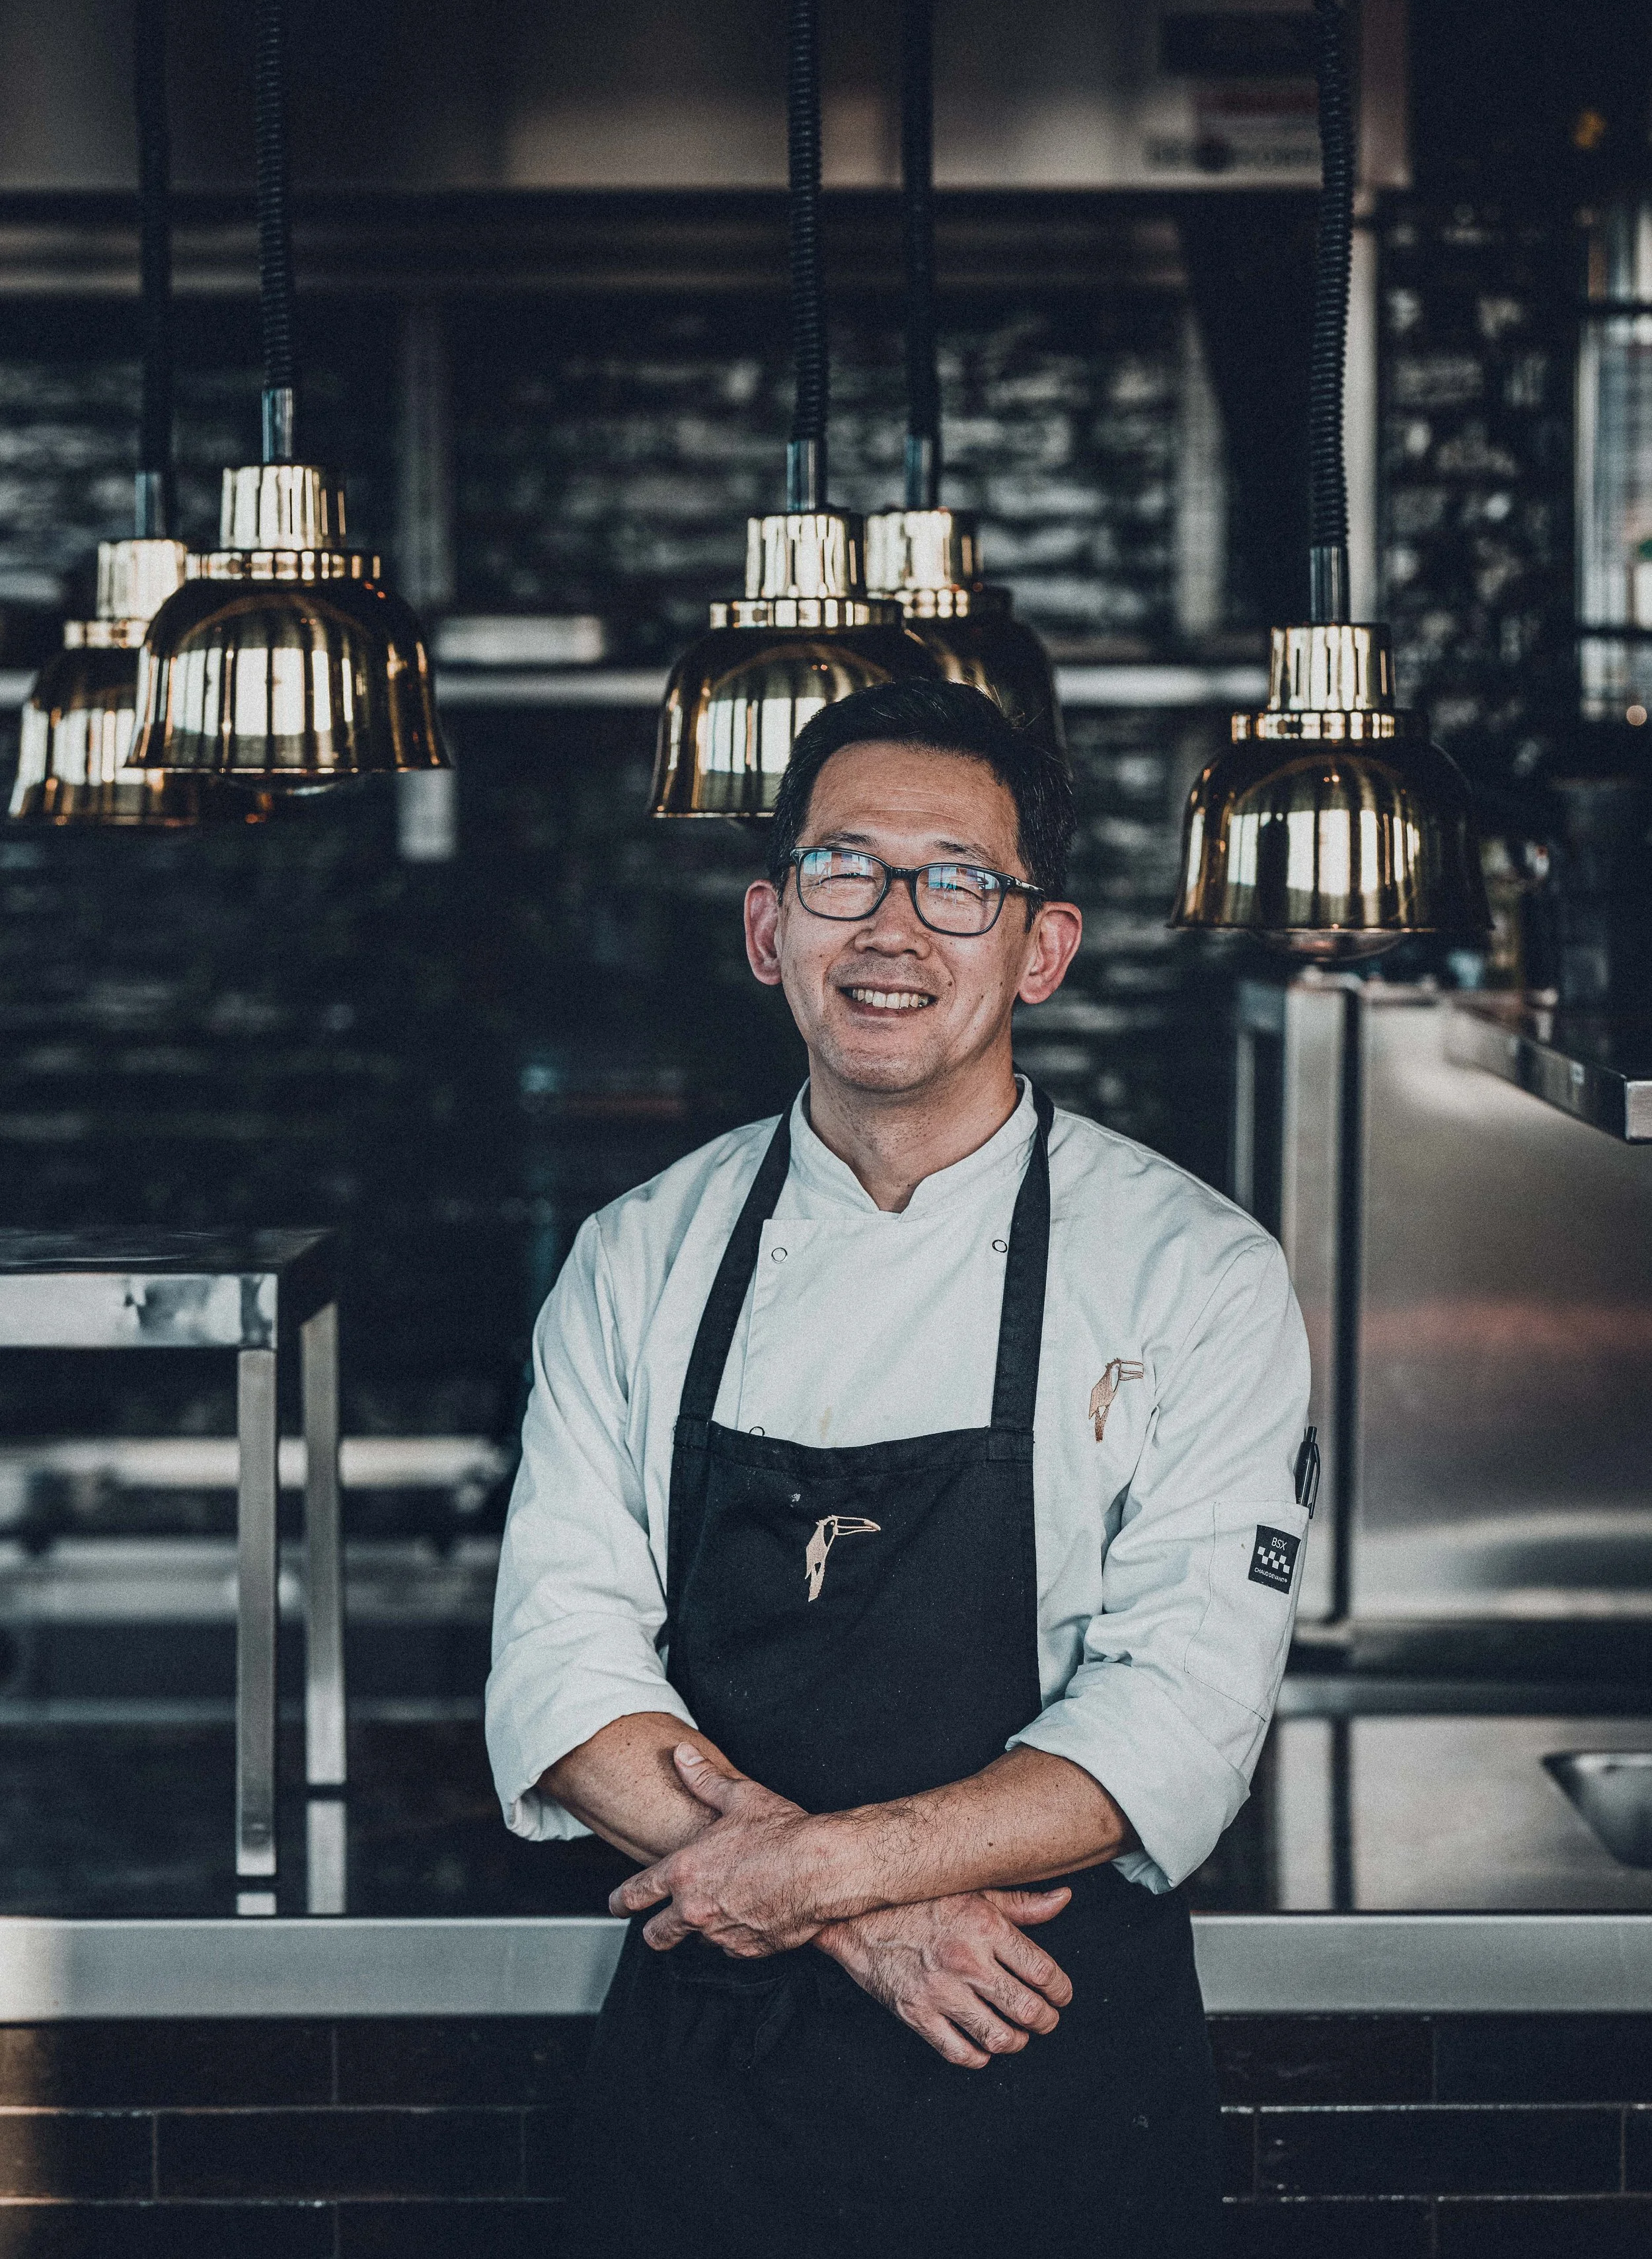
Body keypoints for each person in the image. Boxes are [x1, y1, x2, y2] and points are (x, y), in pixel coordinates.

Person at [486, 679, 1311, 2258]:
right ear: (767, 925)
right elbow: (563, 1669)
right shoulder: (638, 1255)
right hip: (709, 2089)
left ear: (1039, 949)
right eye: (842, 869)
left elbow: (1175, 1717)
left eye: (957, 884)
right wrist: (860, 1919)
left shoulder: (1193, 1273)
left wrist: (815, 1872)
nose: (890, 928)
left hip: (1039, 2048)